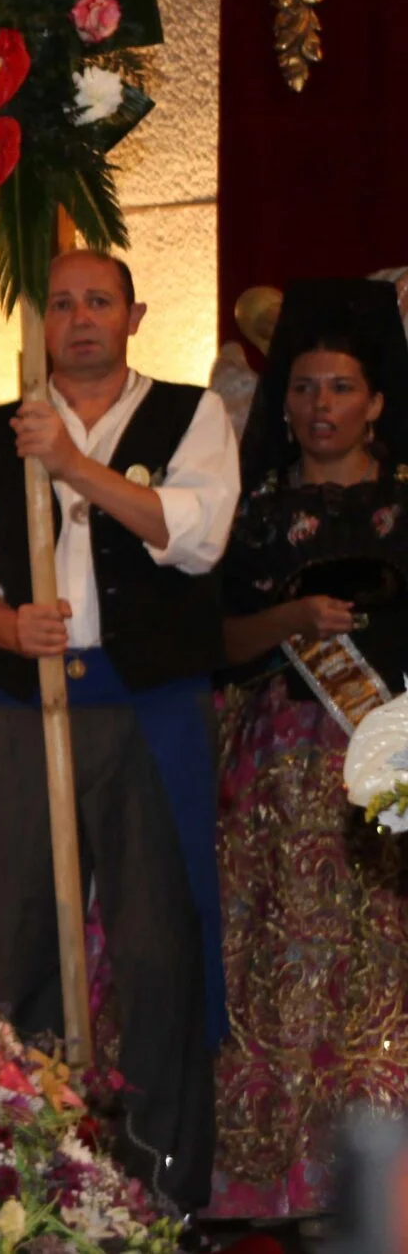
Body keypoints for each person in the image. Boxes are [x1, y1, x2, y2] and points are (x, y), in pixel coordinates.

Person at [0, 248, 238, 1210]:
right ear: (38, 323)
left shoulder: (194, 413)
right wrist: (8, 626)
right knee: (21, 940)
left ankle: (161, 1185)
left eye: (98, 300)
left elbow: (193, 535)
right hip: (30, 712)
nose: (80, 318)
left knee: (156, 946)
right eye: (60, 303)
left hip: (148, 706)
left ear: (135, 313)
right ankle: (30, 1182)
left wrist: (72, 463)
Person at [209, 280, 408, 1216]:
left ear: (375, 400)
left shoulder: (405, 507)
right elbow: (225, 642)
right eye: (303, 387)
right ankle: (272, 1177)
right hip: (276, 770)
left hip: (387, 764)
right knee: (277, 959)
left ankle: (381, 1177)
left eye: (339, 387)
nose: (320, 405)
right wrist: (291, 614)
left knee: (379, 959)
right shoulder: (251, 514)